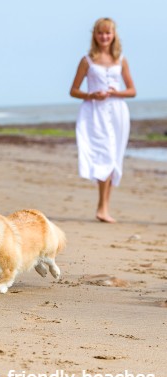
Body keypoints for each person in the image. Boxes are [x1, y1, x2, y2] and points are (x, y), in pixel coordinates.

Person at [70, 17, 136, 223]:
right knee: (104, 156)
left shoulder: (121, 59)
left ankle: (104, 208)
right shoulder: (87, 60)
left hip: (117, 112)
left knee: (114, 157)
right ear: (95, 35)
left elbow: (132, 90)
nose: (104, 36)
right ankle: (102, 208)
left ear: (114, 34)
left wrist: (118, 93)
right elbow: (73, 90)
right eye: (101, 32)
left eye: (108, 33)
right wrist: (91, 95)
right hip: (94, 113)